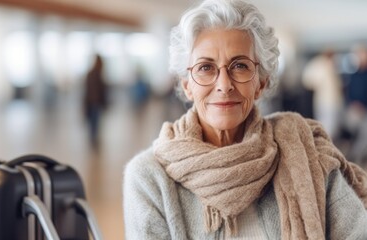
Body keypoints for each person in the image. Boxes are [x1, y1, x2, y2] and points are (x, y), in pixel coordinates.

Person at [123, 0, 367, 239]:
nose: (224, 85)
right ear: (187, 86)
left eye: (239, 65)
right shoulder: (149, 178)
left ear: (261, 83)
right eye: (206, 68)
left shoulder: (305, 151)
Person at [302, 49, 344, 141]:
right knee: (327, 128)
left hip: (334, 102)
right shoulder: (319, 64)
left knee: (334, 128)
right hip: (324, 102)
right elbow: (308, 80)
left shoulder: (332, 65)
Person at [83, 54, 108, 147]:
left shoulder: (93, 74)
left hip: (93, 103)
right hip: (94, 104)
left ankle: (93, 139)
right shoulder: (95, 74)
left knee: (94, 124)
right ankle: (93, 140)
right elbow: (94, 91)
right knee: (94, 123)